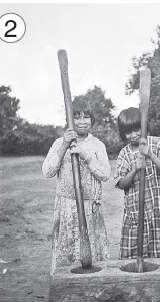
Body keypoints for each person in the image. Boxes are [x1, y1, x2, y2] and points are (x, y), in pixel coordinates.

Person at [42, 97, 111, 275]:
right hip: (66, 208)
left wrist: (86, 156)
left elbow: (105, 174)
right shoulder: (59, 143)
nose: (81, 121)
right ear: (69, 120)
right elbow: (47, 171)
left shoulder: (97, 145)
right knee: (68, 254)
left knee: (92, 253)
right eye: (77, 117)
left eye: (86, 117)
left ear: (92, 120)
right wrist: (65, 145)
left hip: (90, 208)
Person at [114, 107, 160, 277]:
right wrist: (133, 170)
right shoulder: (124, 153)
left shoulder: (158, 143)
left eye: (137, 129)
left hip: (159, 212)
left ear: (144, 127)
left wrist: (151, 155)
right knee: (134, 259)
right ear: (123, 135)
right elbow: (121, 184)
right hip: (136, 214)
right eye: (128, 132)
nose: (134, 135)